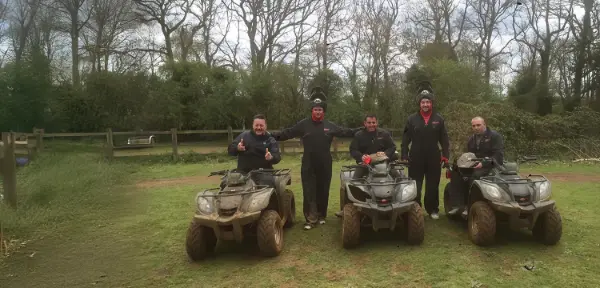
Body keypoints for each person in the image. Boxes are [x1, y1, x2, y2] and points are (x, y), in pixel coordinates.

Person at [272, 87, 359, 230]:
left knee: (323, 189)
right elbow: (288, 133)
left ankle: (322, 215)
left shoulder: (329, 126)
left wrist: (362, 129)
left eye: (320, 110)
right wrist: (270, 135)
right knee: (309, 189)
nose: (318, 112)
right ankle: (311, 218)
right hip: (308, 162)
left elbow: (346, 131)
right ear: (312, 111)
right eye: (315, 109)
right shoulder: (303, 124)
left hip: (325, 162)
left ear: (323, 112)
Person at [401, 82, 450, 220]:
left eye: (428, 102)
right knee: (415, 184)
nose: (425, 105)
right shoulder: (412, 119)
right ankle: (415, 208)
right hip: (415, 156)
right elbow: (405, 139)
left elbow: (444, 140)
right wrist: (404, 154)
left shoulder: (439, 119)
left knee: (432, 185)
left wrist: (445, 156)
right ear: (419, 104)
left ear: (431, 103)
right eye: (423, 102)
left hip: (434, 156)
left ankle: (433, 209)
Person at [334, 113, 398, 217]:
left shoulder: (384, 134)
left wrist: (386, 153)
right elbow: (353, 149)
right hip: (365, 164)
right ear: (365, 123)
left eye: (373, 122)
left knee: (400, 179)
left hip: (384, 164)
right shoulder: (359, 135)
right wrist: (361, 157)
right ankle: (346, 208)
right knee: (352, 184)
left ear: (377, 122)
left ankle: (402, 203)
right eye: (369, 122)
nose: (371, 125)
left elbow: (392, 147)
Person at [447, 116, 505, 217]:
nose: (476, 128)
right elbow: (471, 155)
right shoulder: (471, 139)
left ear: (484, 125)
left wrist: (483, 163)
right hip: (475, 165)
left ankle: (470, 207)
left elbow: (498, 156)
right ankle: (458, 205)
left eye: (478, 125)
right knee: (455, 172)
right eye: (474, 126)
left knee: (474, 176)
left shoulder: (495, 136)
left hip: (491, 165)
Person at [227, 114, 281, 187]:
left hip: (264, 173)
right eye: (256, 125)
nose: (259, 128)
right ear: (253, 125)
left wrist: (271, 157)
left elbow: (277, 156)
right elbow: (230, 150)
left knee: (268, 185)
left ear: (265, 126)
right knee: (225, 184)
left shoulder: (270, 140)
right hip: (243, 173)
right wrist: (237, 148)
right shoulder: (244, 136)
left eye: (261, 125)